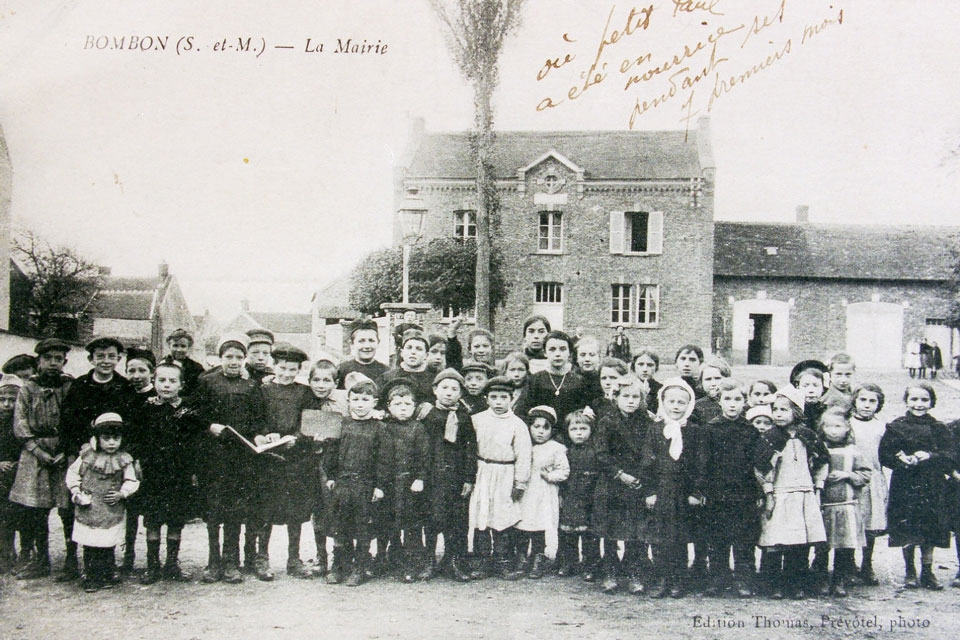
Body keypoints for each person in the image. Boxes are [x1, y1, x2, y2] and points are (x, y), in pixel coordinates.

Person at [194, 333, 270, 585]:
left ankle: (232, 562)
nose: (234, 361)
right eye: (229, 357)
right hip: (214, 457)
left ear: (245, 359)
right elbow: (194, 414)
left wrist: (259, 436)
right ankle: (213, 561)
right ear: (220, 358)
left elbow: (259, 420)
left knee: (236, 510)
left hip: (241, 458)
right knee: (215, 510)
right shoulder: (207, 382)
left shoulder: (251, 387)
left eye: (239, 357)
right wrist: (208, 426)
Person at [135, 363, 208, 584]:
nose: (166, 385)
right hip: (153, 473)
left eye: (172, 381)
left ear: (181, 385)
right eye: (162, 380)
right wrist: (137, 462)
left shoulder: (188, 411)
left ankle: (171, 565)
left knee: (176, 519)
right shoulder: (146, 409)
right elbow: (137, 439)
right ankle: (152, 566)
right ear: (154, 382)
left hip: (179, 473)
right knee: (153, 520)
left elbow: (196, 442)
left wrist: (195, 470)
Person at [754, 385, 828, 600]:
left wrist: (818, 487)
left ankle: (795, 583)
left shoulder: (808, 435)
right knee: (777, 541)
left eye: (783, 410)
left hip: (803, 494)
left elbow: (822, 461)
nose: (778, 414)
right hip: (780, 495)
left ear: (796, 411)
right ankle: (773, 584)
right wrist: (768, 493)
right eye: (775, 409)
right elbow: (761, 468)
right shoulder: (769, 437)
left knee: (800, 542)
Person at [8, 338, 73, 580]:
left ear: (65, 362)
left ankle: (71, 560)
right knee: (36, 511)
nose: (53, 363)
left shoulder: (70, 386)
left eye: (58, 359)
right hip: (35, 454)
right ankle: (41, 559)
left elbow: (75, 420)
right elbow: (20, 423)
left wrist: (65, 450)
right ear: (39, 361)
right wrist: (37, 450)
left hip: (63, 452)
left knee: (68, 509)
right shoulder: (28, 388)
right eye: (48, 359)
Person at [878, 383, 952, 590]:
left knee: (929, 527)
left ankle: (927, 571)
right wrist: (901, 458)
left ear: (931, 402)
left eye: (924, 400)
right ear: (906, 401)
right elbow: (885, 453)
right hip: (906, 483)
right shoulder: (896, 426)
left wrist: (930, 455)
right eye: (914, 399)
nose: (919, 404)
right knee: (907, 526)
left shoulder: (939, 428)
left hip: (932, 484)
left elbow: (950, 455)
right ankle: (910, 571)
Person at [642, 378, 704, 599]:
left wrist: (695, 492)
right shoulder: (655, 429)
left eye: (681, 402)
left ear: (689, 405)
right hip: (661, 489)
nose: (676, 406)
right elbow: (647, 462)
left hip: (682, 492)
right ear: (662, 402)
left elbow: (700, 464)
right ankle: (662, 578)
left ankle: (678, 579)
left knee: (679, 538)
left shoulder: (695, 431)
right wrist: (650, 491)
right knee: (659, 537)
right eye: (671, 401)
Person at [65, 413, 140, 592]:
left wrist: (122, 493)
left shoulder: (124, 459)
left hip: (110, 508)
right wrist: (76, 491)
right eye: (106, 438)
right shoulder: (86, 457)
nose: (112, 443)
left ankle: (106, 573)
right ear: (97, 439)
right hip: (89, 507)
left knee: (107, 543)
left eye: (116, 438)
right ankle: (91, 576)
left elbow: (132, 480)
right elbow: (73, 474)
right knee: (90, 543)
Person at [260, 343, 316, 579]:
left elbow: (310, 422)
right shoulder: (262, 391)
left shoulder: (304, 393)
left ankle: (294, 558)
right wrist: (265, 433)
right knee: (266, 510)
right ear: (274, 367)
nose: (286, 374)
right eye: (282, 368)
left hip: (296, 459)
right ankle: (261, 558)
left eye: (292, 370)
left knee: (296, 510)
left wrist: (297, 438)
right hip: (269, 460)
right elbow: (256, 418)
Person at [468, 376, 533, 580]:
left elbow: (524, 455)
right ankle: (482, 560)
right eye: (493, 397)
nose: (498, 402)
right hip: (482, 471)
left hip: (506, 473)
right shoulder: (477, 420)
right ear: (486, 398)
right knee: (482, 516)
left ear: (511, 399)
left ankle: (503, 560)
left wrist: (520, 482)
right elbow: (469, 449)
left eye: (503, 397)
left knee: (502, 516)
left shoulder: (517, 425)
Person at [324, 378, 387, 587]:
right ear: (349, 401)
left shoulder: (379, 428)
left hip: (366, 485)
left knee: (363, 527)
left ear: (375, 402)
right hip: (343, 483)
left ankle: (360, 568)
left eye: (365, 400)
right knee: (340, 526)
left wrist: (379, 485)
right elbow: (331, 452)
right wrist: (331, 476)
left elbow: (384, 459)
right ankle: (339, 566)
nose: (360, 404)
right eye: (356, 399)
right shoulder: (342, 424)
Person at [701, 379, 760, 598]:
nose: (732, 404)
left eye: (737, 399)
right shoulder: (711, 429)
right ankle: (718, 579)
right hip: (718, 494)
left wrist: (757, 492)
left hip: (744, 494)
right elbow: (703, 463)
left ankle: (744, 580)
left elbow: (755, 465)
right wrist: (704, 491)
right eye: (728, 399)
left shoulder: (750, 430)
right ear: (720, 402)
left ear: (745, 402)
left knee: (744, 539)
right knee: (717, 539)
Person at [592, 375, 650, 594]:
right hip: (612, 483)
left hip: (636, 483)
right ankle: (610, 572)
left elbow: (649, 452)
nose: (631, 401)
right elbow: (601, 453)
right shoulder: (607, 421)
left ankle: (634, 572)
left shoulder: (646, 421)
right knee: (610, 532)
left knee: (635, 532)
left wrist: (640, 476)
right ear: (615, 397)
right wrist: (620, 474)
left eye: (636, 397)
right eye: (626, 396)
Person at [418, 368, 476, 581]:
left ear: (461, 393)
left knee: (457, 521)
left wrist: (469, 478)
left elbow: (471, 448)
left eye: (454, 389)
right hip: (433, 475)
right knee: (432, 519)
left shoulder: (464, 417)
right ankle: (429, 561)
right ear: (435, 390)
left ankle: (453, 561)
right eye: (444, 388)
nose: (449, 393)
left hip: (456, 477)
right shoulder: (427, 414)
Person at [811, 407, 871, 597]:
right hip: (824, 506)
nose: (833, 430)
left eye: (838, 426)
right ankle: (821, 580)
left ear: (847, 428)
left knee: (844, 546)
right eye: (828, 426)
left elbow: (866, 474)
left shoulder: (853, 451)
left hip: (846, 506)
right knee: (823, 546)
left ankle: (839, 580)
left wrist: (847, 475)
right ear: (822, 428)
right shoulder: (818, 449)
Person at [379, 379, 430, 583]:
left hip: (409, 484)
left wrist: (420, 478)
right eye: (397, 405)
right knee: (390, 522)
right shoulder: (384, 427)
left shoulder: (417, 428)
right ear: (389, 407)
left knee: (412, 525)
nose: (402, 409)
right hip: (390, 483)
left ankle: (412, 563)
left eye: (407, 404)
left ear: (414, 407)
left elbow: (424, 456)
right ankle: (393, 558)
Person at [301, 358, 348, 575]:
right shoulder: (306, 400)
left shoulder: (343, 402)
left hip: (336, 463)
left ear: (335, 382)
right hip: (311, 462)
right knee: (317, 510)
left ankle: (342, 556)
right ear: (309, 381)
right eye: (316, 380)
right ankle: (321, 556)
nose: (321, 385)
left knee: (337, 509)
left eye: (326, 380)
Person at [516, 406, 569, 579]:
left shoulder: (556, 448)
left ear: (552, 431)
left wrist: (550, 476)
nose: (540, 432)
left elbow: (564, 471)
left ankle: (538, 558)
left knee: (538, 526)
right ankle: (522, 558)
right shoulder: (524, 445)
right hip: (525, 492)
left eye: (545, 428)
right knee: (522, 525)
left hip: (543, 492)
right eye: (536, 427)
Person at [120, 346, 157, 573]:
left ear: (151, 373)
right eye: (131, 371)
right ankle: (128, 554)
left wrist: (140, 458)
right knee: (130, 511)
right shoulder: (123, 395)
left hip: (149, 462)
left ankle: (152, 560)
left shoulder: (157, 397)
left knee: (151, 510)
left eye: (141, 370)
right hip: (126, 460)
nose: (136, 376)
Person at [518, 331, 591, 442]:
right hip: (541, 438)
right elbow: (522, 411)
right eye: (552, 349)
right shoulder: (536, 380)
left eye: (562, 349)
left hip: (571, 439)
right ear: (545, 352)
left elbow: (584, 414)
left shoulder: (579, 381)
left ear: (570, 353)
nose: (557, 354)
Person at [849, 383, 888, 585]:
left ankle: (867, 565)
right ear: (855, 401)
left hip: (872, 478)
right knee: (851, 521)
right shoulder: (848, 424)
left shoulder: (881, 427)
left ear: (878, 404)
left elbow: (884, 454)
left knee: (870, 523)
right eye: (863, 400)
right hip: (852, 478)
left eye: (872, 401)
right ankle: (849, 564)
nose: (867, 405)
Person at [557, 410, 601, 580]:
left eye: (583, 429)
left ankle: (590, 565)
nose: (579, 433)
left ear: (591, 430)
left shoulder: (596, 452)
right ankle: (569, 562)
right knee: (568, 533)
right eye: (574, 429)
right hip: (571, 496)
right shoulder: (566, 452)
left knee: (590, 534)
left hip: (590, 497)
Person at [0, 374, 23, 573]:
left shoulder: (22, 422)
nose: (7, 405)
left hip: (19, 473)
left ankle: (23, 553)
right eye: (2, 399)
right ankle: (5, 554)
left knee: (18, 515)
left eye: (12, 400)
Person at [379, 330, 435, 407]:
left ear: (426, 355)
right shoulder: (387, 378)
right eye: (409, 348)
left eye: (419, 349)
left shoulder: (433, 380)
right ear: (402, 352)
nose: (413, 352)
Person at [337, 318, 389, 389]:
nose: (367, 346)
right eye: (361, 341)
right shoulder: (341, 370)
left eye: (371, 340)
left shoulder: (386, 372)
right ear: (352, 344)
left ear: (378, 343)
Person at [160, 328, 206, 396]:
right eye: (175, 346)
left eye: (183, 346)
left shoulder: (196, 368)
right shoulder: (162, 364)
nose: (179, 350)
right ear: (169, 346)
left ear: (188, 347)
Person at [631, 349, 662, 415]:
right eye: (641, 364)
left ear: (656, 367)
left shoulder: (661, 389)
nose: (645, 369)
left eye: (650, 365)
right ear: (634, 366)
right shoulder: (627, 387)